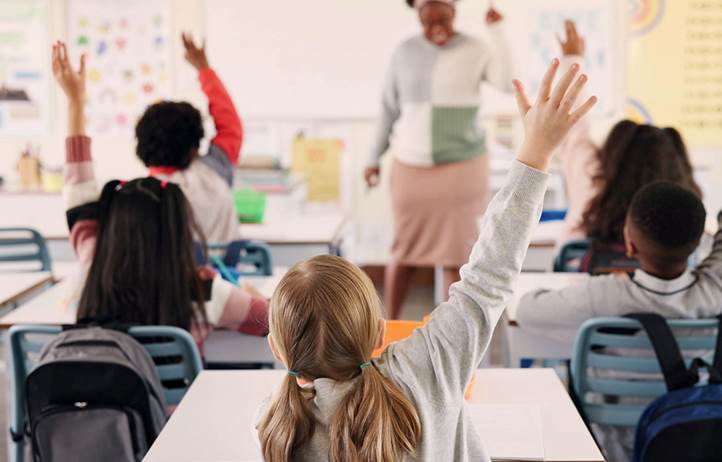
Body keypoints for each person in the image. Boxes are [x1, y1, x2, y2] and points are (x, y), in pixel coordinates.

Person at [256, 59, 597, 461]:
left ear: (277, 349)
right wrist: (536, 151)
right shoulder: (427, 368)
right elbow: (488, 278)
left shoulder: (277, 428)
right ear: (381, 332)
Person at [52, 41, 267, 351]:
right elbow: (275, 321)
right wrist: (204, 69)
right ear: (180, 227)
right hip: (185, 393)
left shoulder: (91, 270)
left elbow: (78, 191)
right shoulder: (202, 289)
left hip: (96, 397)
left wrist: (75, 101)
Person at [516, 182, 721, 461]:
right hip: (689, 435)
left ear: (629, 244)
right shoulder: (714, 292)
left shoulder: (602, 295)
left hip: (609, 445)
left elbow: (528, 310)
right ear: (698, 244)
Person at [366, 0, 513, 318]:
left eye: (443, 20)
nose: (437, 30)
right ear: (417, 16)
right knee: (404, 251)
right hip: (411, 167)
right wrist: (372, 157)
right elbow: (388, 110)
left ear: (454, 13)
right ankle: (389, 325)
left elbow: (506, 83)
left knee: (454, 253)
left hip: (462, 166)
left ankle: (448, 332)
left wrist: (497, 31)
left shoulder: (476, 48)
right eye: (428, 22)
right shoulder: (404, 52)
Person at [556, 20, 701, 271]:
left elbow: (574, 129)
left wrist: (572, 60)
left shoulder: (592, 183)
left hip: (581, 298)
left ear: (613, 155)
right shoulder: (683, 206)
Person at [135, 33, 242, 244]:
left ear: (142, 147)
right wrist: (203, 69)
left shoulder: (137, 197)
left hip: (164, 278)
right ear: (194, 147)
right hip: (223, 276)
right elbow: (230, 123)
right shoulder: (213, 172)